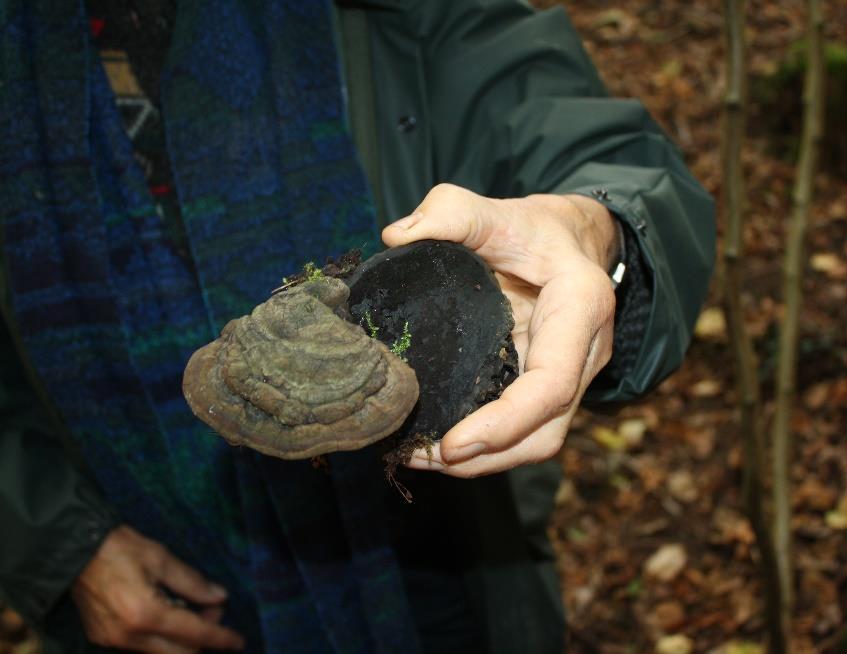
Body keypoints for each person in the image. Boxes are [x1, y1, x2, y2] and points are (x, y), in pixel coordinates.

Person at [0, 0, 715, 652]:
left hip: (440, 572)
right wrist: (55, 542)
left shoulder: (401, 16)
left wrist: (599, 231)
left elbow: (602, 146)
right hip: (149, 592)